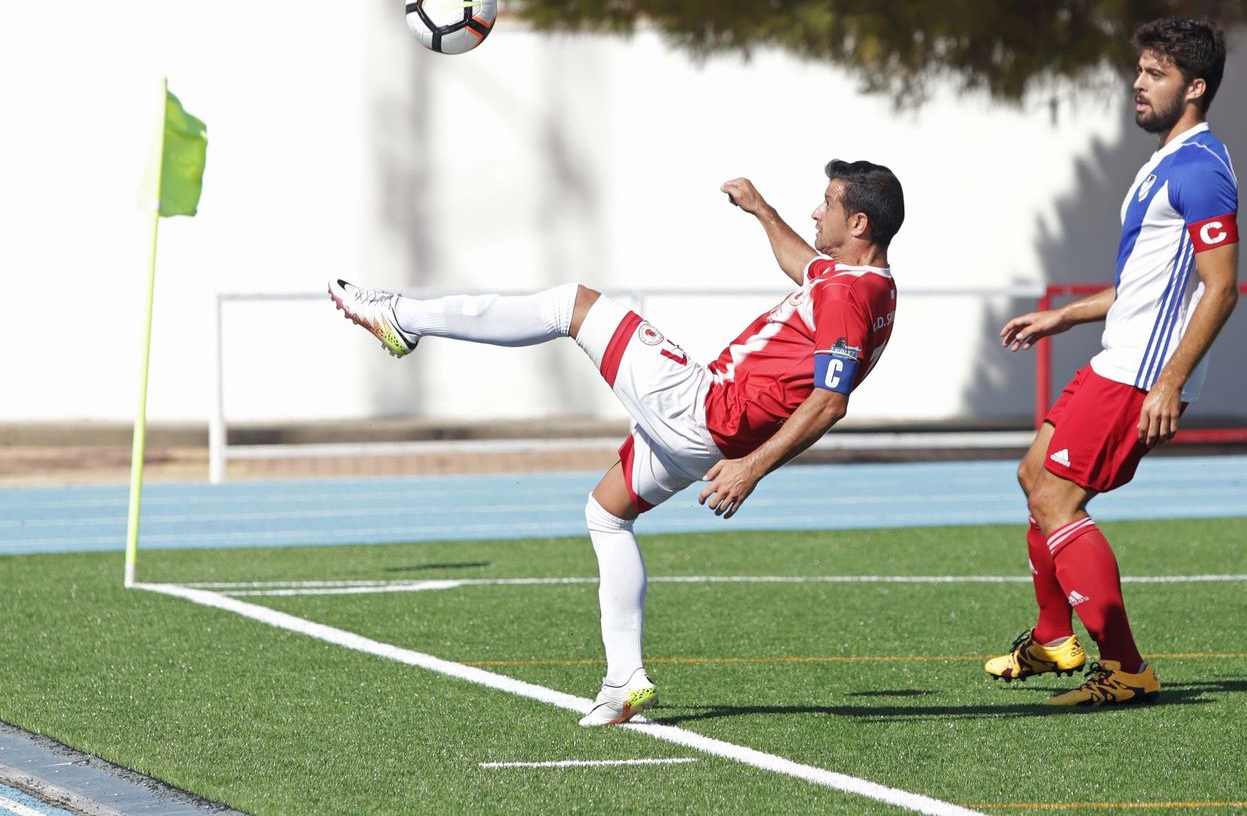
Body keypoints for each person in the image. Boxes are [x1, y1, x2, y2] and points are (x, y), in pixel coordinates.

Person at [328, 160, 903, 726]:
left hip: (707, 410)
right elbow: (802, 263)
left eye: (827, 204)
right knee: (606, 514)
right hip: (707, 434)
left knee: (570, 305)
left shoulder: (848, 299)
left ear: (858, 225)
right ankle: (623, 678)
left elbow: (831, 400)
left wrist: (751, 469)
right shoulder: (857, 281)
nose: (815, 213)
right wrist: (763, 211)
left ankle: (402, 318)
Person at [985, 17, 1239, 707]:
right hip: (1119, 356)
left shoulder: (1202, 170)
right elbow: (1147, 283)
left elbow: (1222, 287)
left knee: (1057, 498)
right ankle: (1054, 636)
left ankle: (1125, 666)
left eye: (1155, 73)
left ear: (1195, 86)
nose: (1137, 83)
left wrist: (1171, 381)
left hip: (1140, 374)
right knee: (1034, 475)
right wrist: (1062, 315)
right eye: (1140, 70)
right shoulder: (1165, 161)